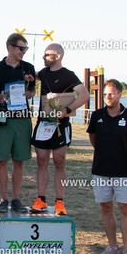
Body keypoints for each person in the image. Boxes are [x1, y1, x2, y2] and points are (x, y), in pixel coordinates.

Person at [87, 79, 127, 254]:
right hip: (101, 170)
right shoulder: (96, 115)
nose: (108, 97)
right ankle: (112, 247)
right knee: (106, 207)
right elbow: (93, 138)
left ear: (120, 95)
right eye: (105, 94)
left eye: (111, 94)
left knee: (125, 209)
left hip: (124, 171)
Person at [30, 43, 90, 215]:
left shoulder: (68, 75)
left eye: (46, 54)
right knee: (42, 161)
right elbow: (31, 75)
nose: (43, 57)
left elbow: (84, 95)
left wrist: (67, 110)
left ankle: (59, 202)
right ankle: (41, 200)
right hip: (43, 124)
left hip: (60, 125)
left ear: (57, 56)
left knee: (59, 161)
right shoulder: (43, 73)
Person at [0, 33, 35, 213]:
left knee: (19, 160)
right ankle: (3, 199)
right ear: (10, 47)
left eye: (26, 48)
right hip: (2, 119)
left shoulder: (28, 67)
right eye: (22, 48)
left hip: (22, 119)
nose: (24, 51)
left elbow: (33, 90)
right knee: (2, 160)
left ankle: (16, 199)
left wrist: (30, 94)